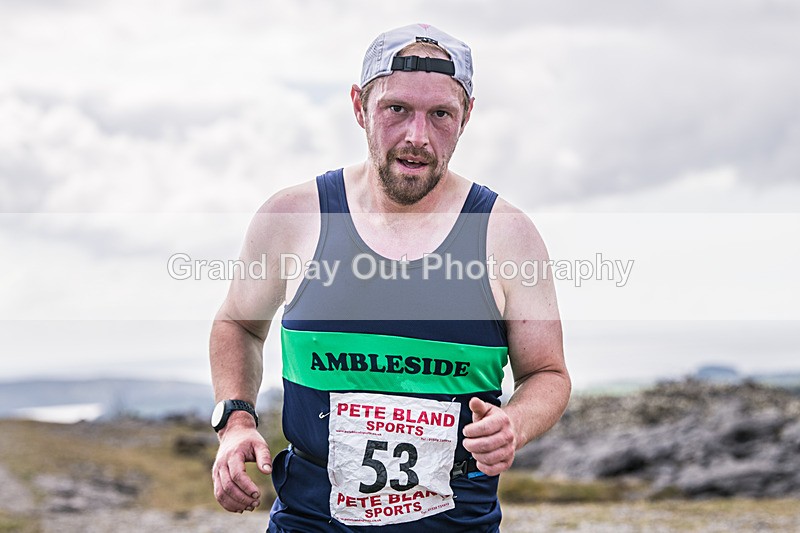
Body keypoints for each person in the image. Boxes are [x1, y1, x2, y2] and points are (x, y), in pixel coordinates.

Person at [209, 23, 570, 532]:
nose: (417, 137)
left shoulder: (506, 235)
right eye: (396, 109)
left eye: (440, 114)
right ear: (360, 106)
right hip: (311, 521)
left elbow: (547, 375)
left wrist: (515, 423)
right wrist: (236, 420)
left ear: (465, 117)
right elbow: (238, 326)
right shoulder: (292, 217)